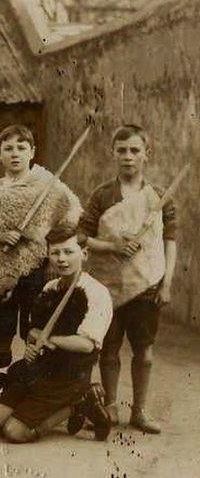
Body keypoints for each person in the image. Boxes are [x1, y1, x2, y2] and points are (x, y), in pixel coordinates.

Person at [0, 124, 81, 416]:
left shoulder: (48, 186)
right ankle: (1, 397)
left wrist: (41, 235)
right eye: (8, 148)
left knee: (34, 334)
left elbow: (71, 218)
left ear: (32, 152)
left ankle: (30, 396)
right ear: (0, 154)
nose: (15, 153)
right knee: (2, 337)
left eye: (21, 147)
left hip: (34, 270)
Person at [81, 124, 178, 434]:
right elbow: (81, 237)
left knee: (144, 350)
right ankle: (110, 406)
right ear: (113, 153)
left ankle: (140, 411)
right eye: (121, 150)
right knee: (108, 349)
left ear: (146, 155)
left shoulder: (159, 197)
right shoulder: (102, 194)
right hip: (107, 285)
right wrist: (113, 246)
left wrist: (167, 283)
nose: (128, 156)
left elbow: (169, 241)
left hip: (147, 284)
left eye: (135, 150)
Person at [0, 228, 113, 443]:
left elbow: (86, 345)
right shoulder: (49, 287)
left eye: (69, 252)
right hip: (41, 369)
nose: (61, 259)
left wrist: (48, 339)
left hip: (69, 376)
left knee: (14, 432)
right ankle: (39, 406)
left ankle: (78, 403)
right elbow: (34, 331)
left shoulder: (96, 292)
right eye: (55, 253)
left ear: (85, 254)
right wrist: (33, 344)